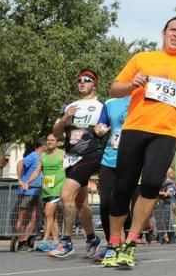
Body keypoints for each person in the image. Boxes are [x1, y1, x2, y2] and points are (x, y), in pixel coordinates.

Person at [102, 16, 176, 268]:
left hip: (167, 132)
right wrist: (131, 84)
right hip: (135, 128)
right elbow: (114, 88)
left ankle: (131, 242)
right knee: (123, 188)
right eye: (173, 30)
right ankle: (113, 242)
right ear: (164, 32)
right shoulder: (141, 59)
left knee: (150, 184)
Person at [49, 68, 109, 259]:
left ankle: (66, 241)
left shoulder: (101, 105)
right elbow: (56, 133)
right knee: (80, 202)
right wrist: (66, 118)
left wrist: (103, 130)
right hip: (71, 156)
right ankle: (92, 239)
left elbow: (110, 126)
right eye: (80, 80)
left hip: (91, 152)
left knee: (66, 193)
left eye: (87, 80)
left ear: (95, 83)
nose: (82, 82)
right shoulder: (70, 106)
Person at [92, 95, 131, 260]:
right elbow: (100, 126)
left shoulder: (145, 100)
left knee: (127, 205)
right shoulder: (110, 103)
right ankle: (111, 244)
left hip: (132, 160)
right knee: (106, 204)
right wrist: (99, 130)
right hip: (109, 159)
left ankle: (128, 242)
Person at [14, 139, 44, 251]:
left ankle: (26, 240)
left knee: (34, 217)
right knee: (23, 216)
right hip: (28, 191)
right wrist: (20, 180)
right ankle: (21, 241)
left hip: (37, 190)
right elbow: (20, 163)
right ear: (43, 146)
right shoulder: (34, 155)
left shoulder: (43, 157)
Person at [38, 134, 66, 252]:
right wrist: (26, 181)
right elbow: (37, 170)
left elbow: (69, 168)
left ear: (57, 142)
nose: (49, 142)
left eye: (52, 140)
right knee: (52, 216)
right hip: (47, 188)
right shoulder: (43, 155)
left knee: (48, 213)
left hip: (58, 186)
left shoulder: (63, 153)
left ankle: (44, 240)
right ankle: (56, 241)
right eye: (48, 140)